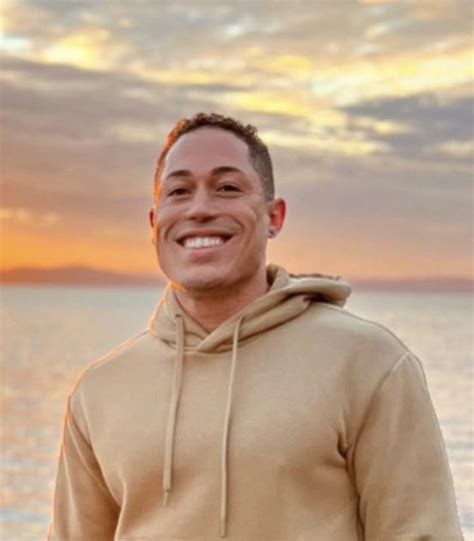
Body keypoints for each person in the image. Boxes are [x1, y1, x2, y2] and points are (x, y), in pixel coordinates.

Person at [47, 113, 463, 540]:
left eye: (227, 187)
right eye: (179, 191)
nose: (200, 208)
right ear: (154, 224)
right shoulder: (99, 391)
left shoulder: (368, 362)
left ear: (273, 216)